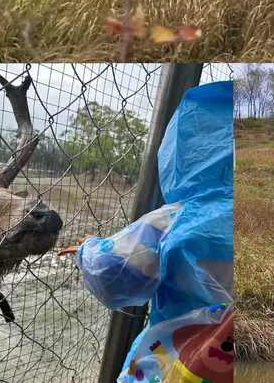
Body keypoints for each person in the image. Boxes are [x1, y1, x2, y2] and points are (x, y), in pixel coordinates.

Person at [67, 80, 233, 383]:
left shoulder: (176, 219)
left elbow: (111, 273)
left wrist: (87, 248)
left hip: (178, 367)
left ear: (180, 151)